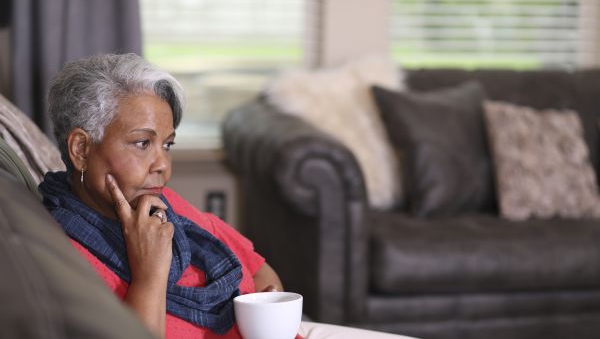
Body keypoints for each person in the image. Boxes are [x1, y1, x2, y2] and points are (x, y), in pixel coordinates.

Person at [39, 53, 413, 339]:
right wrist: (150, 273)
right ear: (81, 149)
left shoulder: (161, 205)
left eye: (167, 145)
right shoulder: (64, 254)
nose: (162, 166)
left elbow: (253, 263)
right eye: (142, 143)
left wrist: (266, 306)